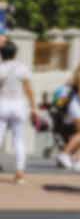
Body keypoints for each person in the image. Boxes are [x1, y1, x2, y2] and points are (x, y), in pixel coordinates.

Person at [0, 41, 36, 183]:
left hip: (2, 104)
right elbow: (28, 89)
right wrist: (34, 107)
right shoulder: (22, 68)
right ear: (15, 53)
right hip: (19, 106)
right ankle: (20, 172)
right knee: (19, 140)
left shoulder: (1, 68)